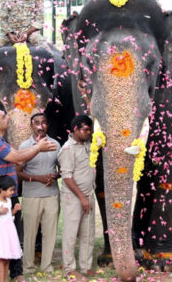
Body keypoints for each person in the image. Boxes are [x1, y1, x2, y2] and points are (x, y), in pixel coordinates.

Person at [0, 109, 58, 282]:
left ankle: (16, 273)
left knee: (13, 234)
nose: (7, 118)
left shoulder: (1, 141)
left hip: (9, 195)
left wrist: (37, 148)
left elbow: (19, 157)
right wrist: (38, 147)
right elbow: (18, 159)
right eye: (3, 117)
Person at [16, 113, 60, 274]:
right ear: (31, 126)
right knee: (29, 233)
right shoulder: (24, 146)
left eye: (44, 123)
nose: (40, 126)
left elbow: (62, 168)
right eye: (37, 123)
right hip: (31, 195)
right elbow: (18, 172)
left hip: (51, 194)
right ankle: (28, 266)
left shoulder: (55, 144)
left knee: (50, 232)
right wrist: (38, 178)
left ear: (47, 125)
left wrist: (54, 176)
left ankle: (46, 266)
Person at [58, 115, 96, 279]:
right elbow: (66, 177)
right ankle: (69, 268)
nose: (89, 133)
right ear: (75, 130)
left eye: (90, 130)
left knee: (88, 233)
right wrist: (81, 198)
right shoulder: (67, 149)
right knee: (71, 234)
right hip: (73, 198)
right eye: (85, 130)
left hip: (88, 195)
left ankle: (86, 266)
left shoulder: (88, 145)